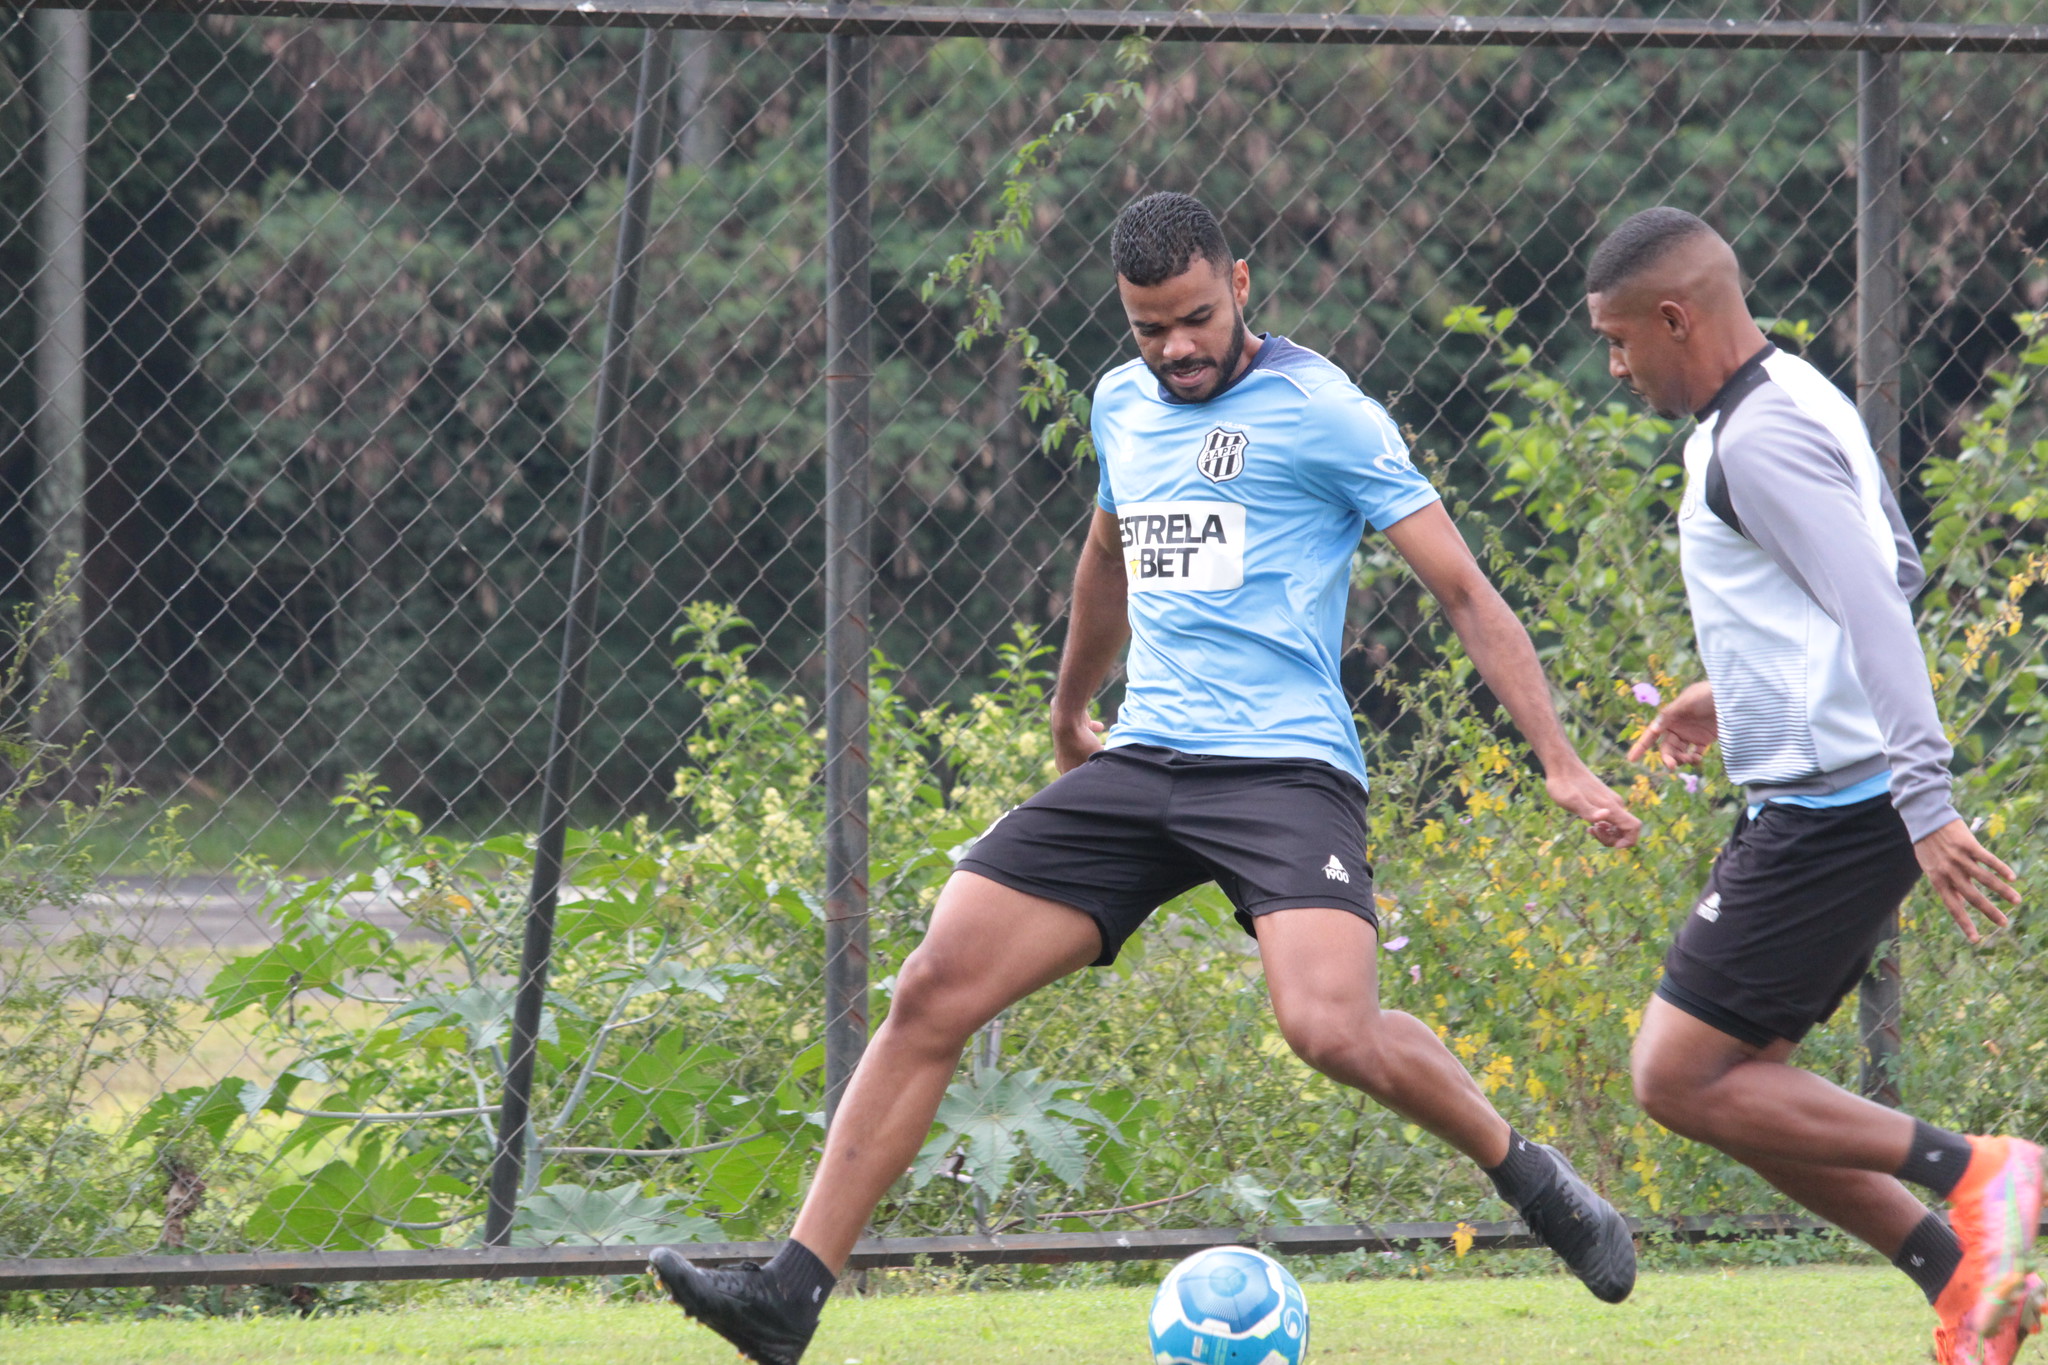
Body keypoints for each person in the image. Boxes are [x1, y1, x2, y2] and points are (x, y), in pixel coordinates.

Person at [650, 191, 1644, 1365]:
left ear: (1239, 283)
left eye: (1192, 318)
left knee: (1326, 1027)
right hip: (1145, 758)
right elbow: (1108, 553)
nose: (1173, 348)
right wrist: (1072, 700)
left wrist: (1561, 762)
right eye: (1146, 328)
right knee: (932, 988)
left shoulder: (1325, 413)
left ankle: (1528, 1176)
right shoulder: (1121, 402)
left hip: (1281, 768)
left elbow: (1464, 592)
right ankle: (789, 1295)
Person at [1590, 206, 2039, 1365]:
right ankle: (1963, 1290)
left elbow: (1876, 603)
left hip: (1835, 810)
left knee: (1677, 1078)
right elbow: (1879, 562)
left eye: (1618, 339)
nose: (1614, 364)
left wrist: (1923, 798)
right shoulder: (1788, 392)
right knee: (1750, 1093)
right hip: (1828, 797)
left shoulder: (1754, 441)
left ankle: (1984, 1176)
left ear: (1673, 316)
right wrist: (1730, 692)